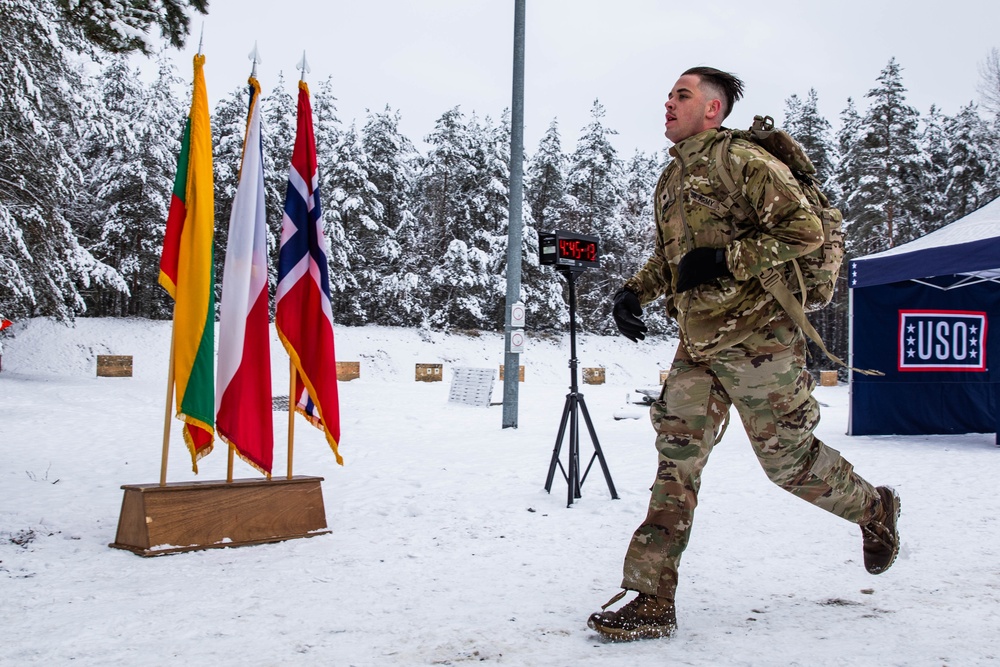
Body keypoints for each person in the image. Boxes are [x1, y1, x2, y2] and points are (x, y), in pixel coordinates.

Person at [587, 66, 900, 642]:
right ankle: (652, 597)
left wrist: (727, 261)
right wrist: (634, 291)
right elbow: (674, 260)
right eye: (668, 94)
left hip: (760, 340)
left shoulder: (744, 162)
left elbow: (803, 230)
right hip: (699, 345)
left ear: (713, 109)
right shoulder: (671, 180)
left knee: (787, 464)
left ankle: (874, 509)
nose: (667, 103)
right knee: (675, 463)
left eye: (681, 95)